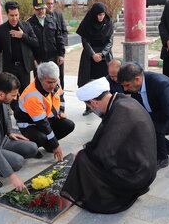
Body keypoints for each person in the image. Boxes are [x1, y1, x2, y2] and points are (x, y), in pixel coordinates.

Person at [60, 77, 157, 214]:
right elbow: (108, 136)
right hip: (143, 167)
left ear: (94, 102)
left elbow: (105, 152)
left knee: (84, 159)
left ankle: (99, 195)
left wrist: (85, 153)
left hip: (137, 175)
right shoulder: (121, 100)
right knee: (89, 152)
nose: (91, 109)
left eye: (89, 106)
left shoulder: (122, 111)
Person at [117, 62, 169, 169]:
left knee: (151, 126)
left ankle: (162, 158)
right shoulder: (135, 85)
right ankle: (168, 146)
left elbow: (168, 114)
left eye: (127, 85)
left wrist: (144, 118)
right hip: (160, 115)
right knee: (136, 124)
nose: (125, 89)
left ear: (137, 79)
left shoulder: (161, 84)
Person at [14, 61, 75, 161]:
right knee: (42, 137)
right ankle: (31, 148)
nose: (53, 85)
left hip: (46, 118)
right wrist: (55, 145)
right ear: (40, 79)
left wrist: (61, 111)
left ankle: (48, 145)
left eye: (54, 81)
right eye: (49, 82)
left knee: (69, 125)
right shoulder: (32, 95)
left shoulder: (55, 80)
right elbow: (43, 124)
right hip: (30, 124)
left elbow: (61, 96)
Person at [0, 1, 38, 95]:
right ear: (7, 14)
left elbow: (35, 43)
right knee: (10, 94)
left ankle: (24, 110)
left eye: (16, 15)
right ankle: (13, 110)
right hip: (10, 68)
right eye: (11, 15)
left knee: (25, 94)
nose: (15, 18)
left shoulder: (26, 25)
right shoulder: (0, 29)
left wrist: (22, 36)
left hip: (24, 67)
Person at [77, 2, 114, 116]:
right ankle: (89, 107)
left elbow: (110, 41)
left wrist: (102, 54)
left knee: (106, 81)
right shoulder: (87, 23)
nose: (101, 17)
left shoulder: (108, 22)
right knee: (87, 81)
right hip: (89, 56)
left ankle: (107, 105)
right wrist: (93, 54)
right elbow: (85, 41)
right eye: (98, 15)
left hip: (104, 56)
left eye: (102, 14)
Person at [28, 0, 65, 82]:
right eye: (38, 9)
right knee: (40, 83)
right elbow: (28, 45)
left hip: (54, 58)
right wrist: (32, 59)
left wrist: (61, 54)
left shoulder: (53, 20)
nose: (41, 11)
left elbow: (59, 38)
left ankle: (59, 96)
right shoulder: (29, 23)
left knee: (56, 82)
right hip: (39, 60)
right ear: (34, 9)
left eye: (42, 8)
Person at [43, 0, 68, 89]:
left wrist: (61, 51)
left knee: (59, 78)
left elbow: (64, 32)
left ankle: (60, 98)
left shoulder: (58, 15)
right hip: (44, 56)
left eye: (52, 3)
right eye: (48, 3)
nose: (50, 6)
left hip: (57, 55)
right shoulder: (36, 19)